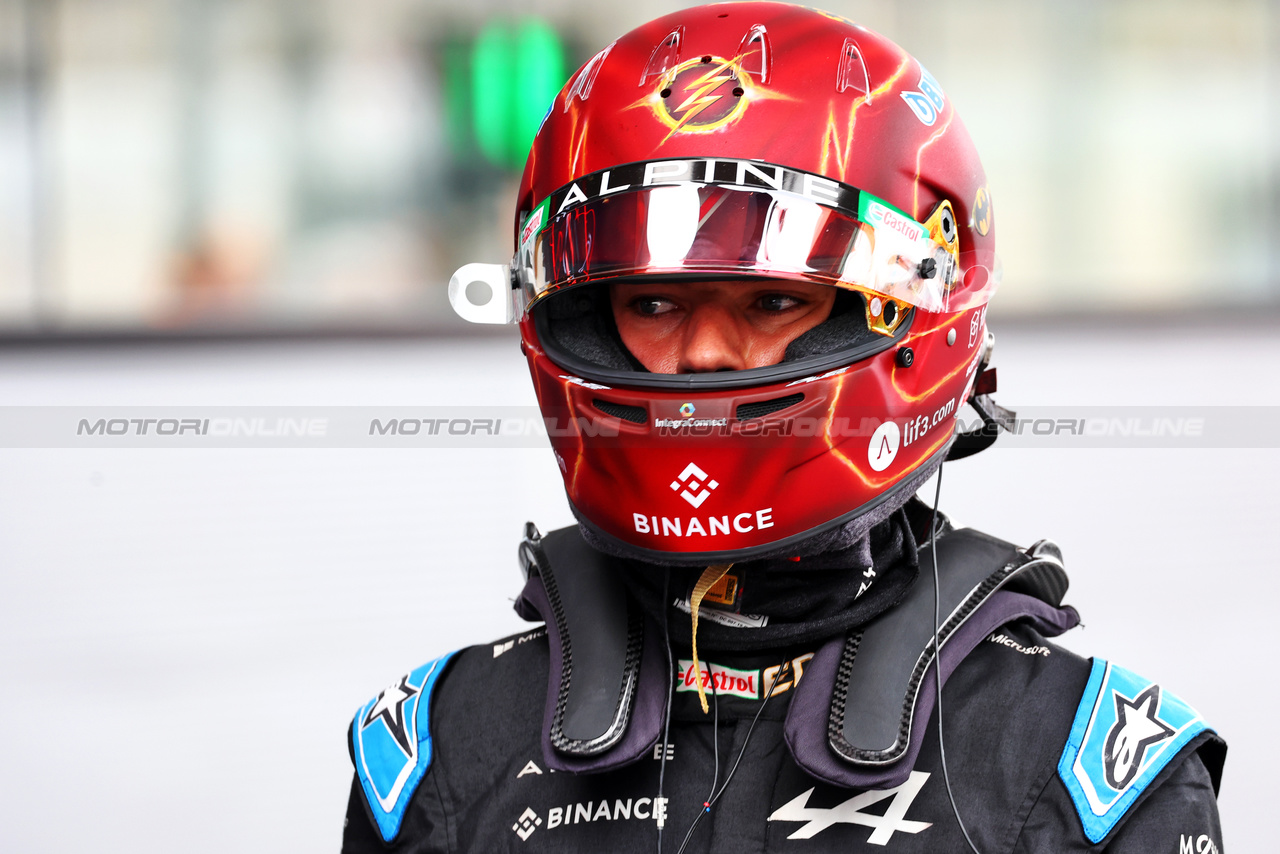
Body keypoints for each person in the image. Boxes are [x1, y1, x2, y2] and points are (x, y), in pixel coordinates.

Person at [342, 4, 1226, 851]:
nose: (703, 356)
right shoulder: (441, 749)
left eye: (771, 302)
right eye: (650, 304)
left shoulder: (1078, 774)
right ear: (580, 321)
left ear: (911, 314)